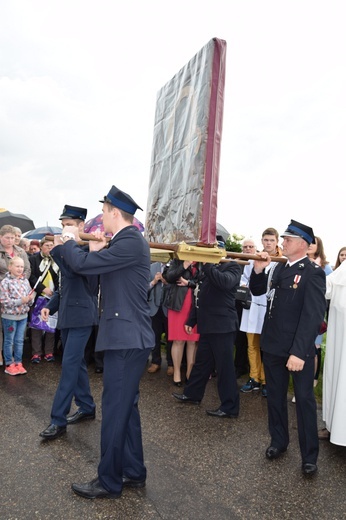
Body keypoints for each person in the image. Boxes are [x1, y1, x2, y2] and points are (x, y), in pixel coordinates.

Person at [50, 185, 155, 499]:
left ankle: (109, 481)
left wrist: (66, 242)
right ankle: (134, 472)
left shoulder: (130, 241)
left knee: (114, 411)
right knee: (127, 408)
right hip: (127, 338)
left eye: (104, 211)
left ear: (113, 212)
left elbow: (81, 266)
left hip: (126, 340)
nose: (101, 218)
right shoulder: (124, 243)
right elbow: (91, 272)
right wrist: (84, 249)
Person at [249, 219, 326, 476]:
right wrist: (259, 270)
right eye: (283, 239)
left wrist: (298, 352)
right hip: (273, 346)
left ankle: (309, 456)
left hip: (298, 351)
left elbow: (312, 316)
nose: (282, 242)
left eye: (288, 239)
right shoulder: (279, 268)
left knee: (304, 402)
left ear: (302, 244)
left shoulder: (312, 273)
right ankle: (279, 442)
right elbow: (258, 292)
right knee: (275, 397)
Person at [39, 205, 99, 440]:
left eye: (69, 224)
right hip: (67, 317)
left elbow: (74, 272)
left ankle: (58, 419)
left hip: (82, 317)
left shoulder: (86, 251)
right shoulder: (70, 249)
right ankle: (86, 406)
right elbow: (64, 287)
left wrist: (58, 249)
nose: (65, 228)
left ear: (81, 226)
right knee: (76, 364)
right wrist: (48, 306)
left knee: (69, 367)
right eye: (63, 224)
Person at [172, 257, 241, 418]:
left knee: (225, 368)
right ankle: (193, 394)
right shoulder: (209, 269)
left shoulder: (232, 267)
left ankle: (230, 407)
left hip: (222, 326)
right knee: (202, 363)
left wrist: (209, 264)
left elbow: (224, 283)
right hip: (208, 325)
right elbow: (200, 295)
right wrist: (192, 320)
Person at [240, 228, 283, 397]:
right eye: (265, 240)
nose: (268, 243)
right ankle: (254, 377)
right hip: (253, 306)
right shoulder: (254, 258)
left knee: (267, 346)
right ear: (262, 241)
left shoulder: (281, 261)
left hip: (270, 308)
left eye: (271, 240)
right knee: (252, 345)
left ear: (277, 241)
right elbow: (245, 278)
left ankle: (266, 380)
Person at [319, 246, 346, 445]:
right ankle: (335, 429)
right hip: (341, 340)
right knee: (339, 377)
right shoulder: (342, 270)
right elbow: (325, 287)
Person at [163, 259, 200, 385]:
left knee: (192, 341)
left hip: (195, 305)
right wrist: (184, 265)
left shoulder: (202, 261)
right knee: (178, 340)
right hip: (178, 304)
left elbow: (204, 281)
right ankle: (177, 372)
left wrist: (189, 283)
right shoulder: (177, 261)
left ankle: (190, 373)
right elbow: (168, 277)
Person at [0, 225, 31, 367]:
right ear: (1, 237)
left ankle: (17, 361)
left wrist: (20, 280)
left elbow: (27, 268)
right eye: (7, 238)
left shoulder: (20, 251)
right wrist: (7, 283)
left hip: (19, 290)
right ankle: (5, 358)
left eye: (13, 238)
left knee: (17, 337)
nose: (10, 240)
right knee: (7, 332)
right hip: (4, 289)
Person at [0, 257, 34, 375]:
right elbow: (4, 301)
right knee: (9, 340)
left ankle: (18, 362)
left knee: (19, 340)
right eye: (17, 266)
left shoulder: (25, 281)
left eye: (21, 266)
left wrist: (30, 300)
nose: (20, 269)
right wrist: (21, 301)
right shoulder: (5, 282)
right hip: (9, 317)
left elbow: (29, 296)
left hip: (23, 316)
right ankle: (9, 363)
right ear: (10, 267)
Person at [29, 237, 60, 363]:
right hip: (38, 295)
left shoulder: (57, 260)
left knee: (50, 325)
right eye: (47, 245)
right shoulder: (34, 259)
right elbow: (31, 276)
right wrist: (43, 288)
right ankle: (36, 353)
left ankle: (49, 352)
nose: (49, 248)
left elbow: (60, 277)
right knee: (36, 326)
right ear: (41, 246)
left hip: (53, 297)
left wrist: (55, 291)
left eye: (52, 245)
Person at [147, 261, 173, 376]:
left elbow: (178, 288)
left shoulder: (175, 267)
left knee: (170, 338)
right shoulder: (151, 267)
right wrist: (153, 281)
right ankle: (155, 361)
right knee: (154, 336)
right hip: (154, 308)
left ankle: (171, 364)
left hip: (169, 309)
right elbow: (144, 287)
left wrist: (167, 283)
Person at [233, 238, 254, 378]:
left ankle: (253, 370)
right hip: (239, 304)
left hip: (255, 304)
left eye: (250, 246)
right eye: (245, 246)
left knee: (253, 340)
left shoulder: (260, 260)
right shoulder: (238, 262)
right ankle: (240, 366)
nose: (247, 249)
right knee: (239, 337)